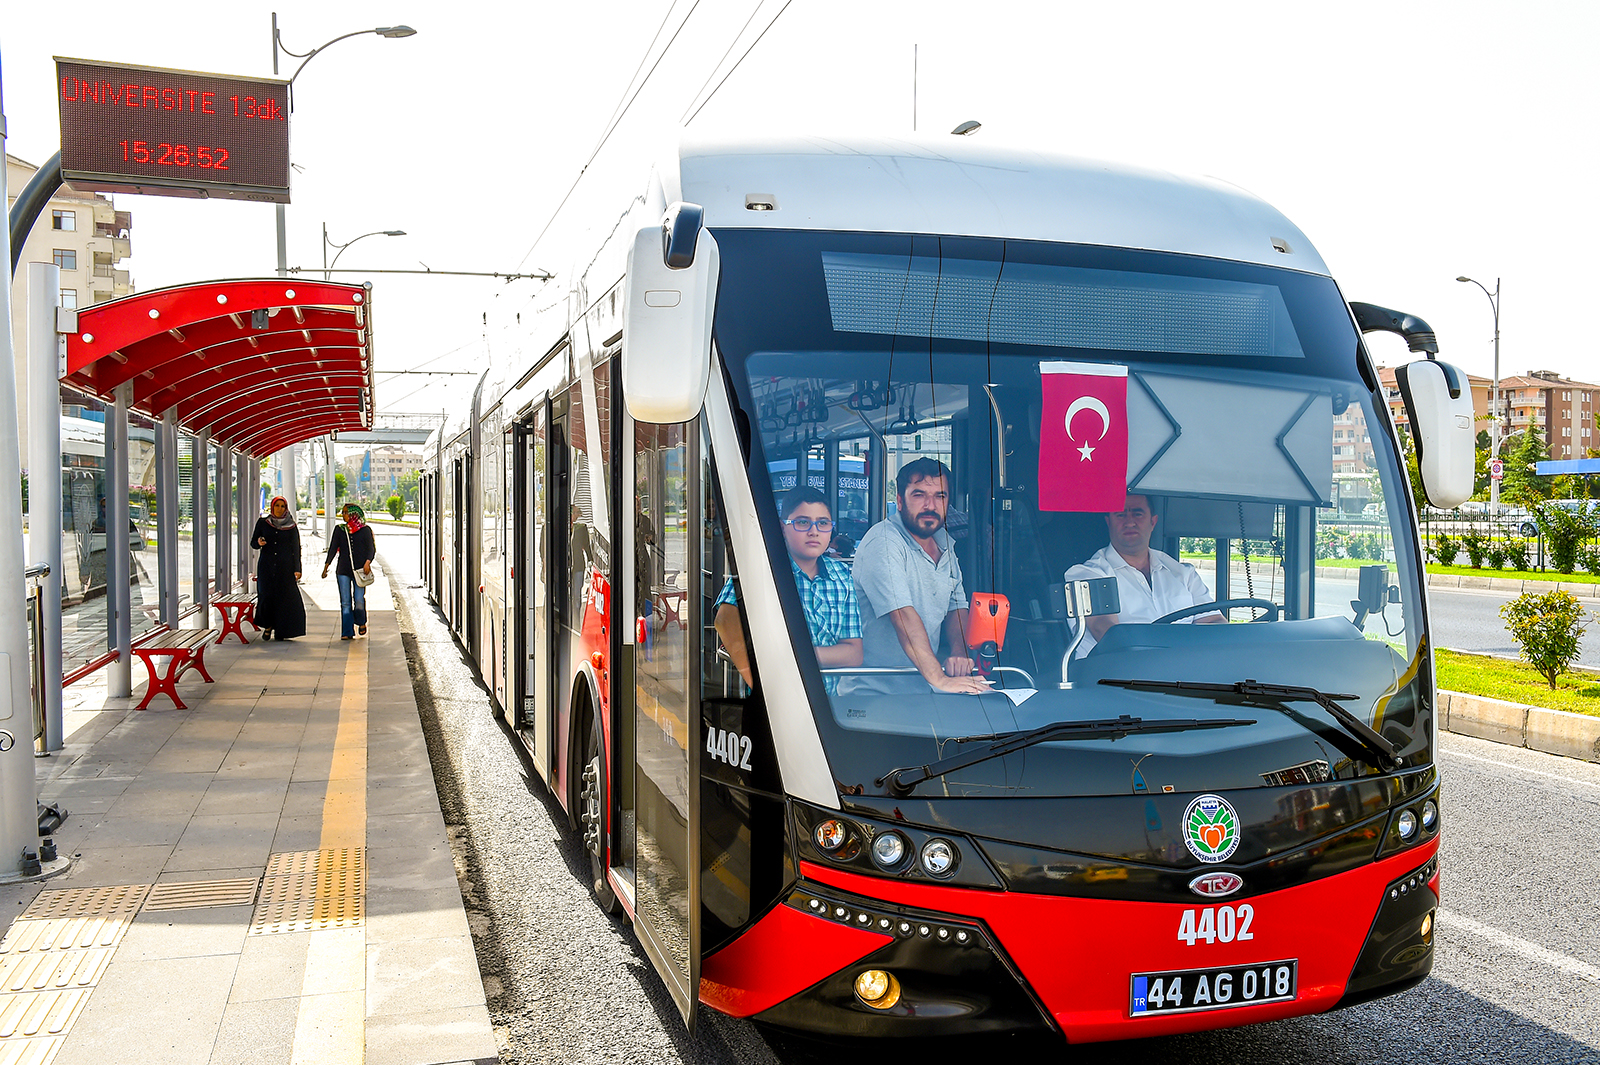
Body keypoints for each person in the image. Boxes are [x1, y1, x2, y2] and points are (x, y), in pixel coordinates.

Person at [850, 458, 988, 694]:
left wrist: (959, 654)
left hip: (922, 689)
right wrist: (940, 679)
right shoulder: (884, 541)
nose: (930, 505)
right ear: (900, 501)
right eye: (919, 495)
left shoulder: (944, 543)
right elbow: (902, 615)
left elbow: (957, 608)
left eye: (940, 496)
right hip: (874, 692)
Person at [714, 486, 862, 689]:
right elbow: (725, 620)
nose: (814, 532)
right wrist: (758, 683)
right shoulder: (764, 567)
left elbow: (854, 653)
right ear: (783, 527)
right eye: (802, 522)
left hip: (828, 705)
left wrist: (791, 655)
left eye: (823, 523)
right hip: (777, 699)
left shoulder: (841, 574)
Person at [1066, 493, 1224, 658]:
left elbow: (1214, 622)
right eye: (1120, 515)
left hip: (1184, 671)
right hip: (1114, 676)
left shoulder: (1184, 573)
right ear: (1108, 522)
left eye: (1137, 513)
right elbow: (1107, 633)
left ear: (1153, 522)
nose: (1129, 522)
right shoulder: (1087, 575)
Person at [252, 496, 305, 640]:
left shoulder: (291, 526)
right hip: (267, 567)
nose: (280, 509)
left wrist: (297, 569)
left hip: (285, 567)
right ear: (272, 507)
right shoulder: (263, 523)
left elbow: (295, 548)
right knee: (266, 596)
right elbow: (253, 542)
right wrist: (259, 542)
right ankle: (268, 626)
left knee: (284, 598)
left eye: (282, 506)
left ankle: (282, 631)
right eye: (277, 506)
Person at [322, 503, 376, 639]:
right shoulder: (340, 529)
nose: (343, 515)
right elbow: (333, 548)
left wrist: (368, 562)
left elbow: (371, 549)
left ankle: (361, 622)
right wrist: (326, 566)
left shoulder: (365, 530)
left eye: (346, 512)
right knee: (345, 602)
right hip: (343, 570)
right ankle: (347, 632)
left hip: (360, 570)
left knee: (358, 599)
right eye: (343, 512)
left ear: (353, 514)